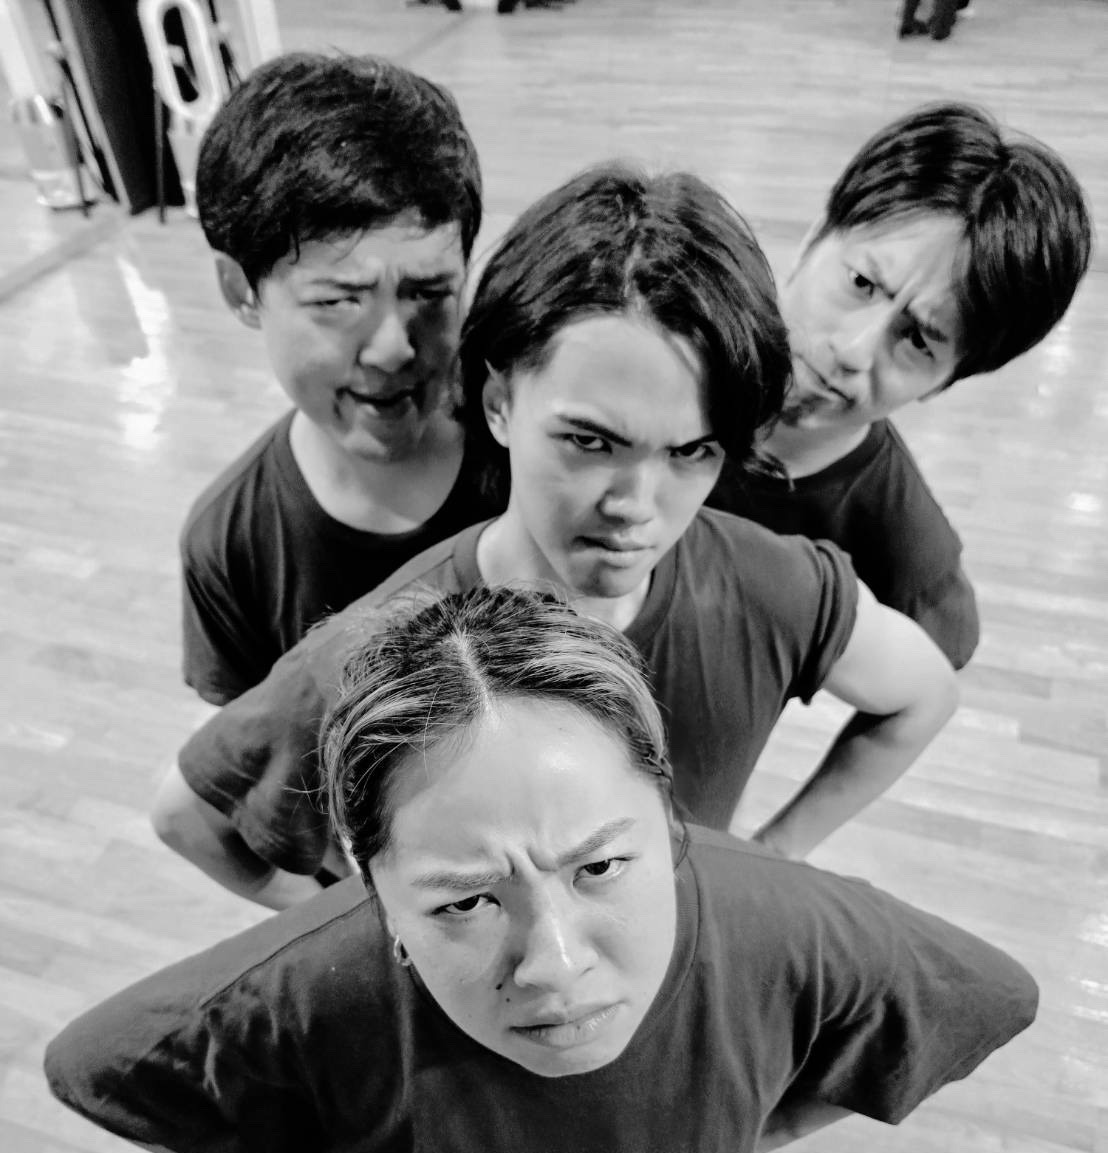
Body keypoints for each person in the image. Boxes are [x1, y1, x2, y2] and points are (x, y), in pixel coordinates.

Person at [46, 587, 1039, 1153]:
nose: (555, 966)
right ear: (374, 887)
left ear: (666, 814)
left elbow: (989, 991)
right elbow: (98, 1062)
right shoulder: (315, 981)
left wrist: (761, 1128)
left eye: (599, 867)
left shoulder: (784, 923)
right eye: (464, 900)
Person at [151, 163, 959, 909]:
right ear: (500, 404)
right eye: (590, 441)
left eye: (690, 452)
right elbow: (191, 816)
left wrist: (776, 853)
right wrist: (373, 929)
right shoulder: (377, 652)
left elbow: (924, 694)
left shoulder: (770, 586)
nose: (635, 505)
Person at [708, 101, 1092, 668]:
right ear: (815, 239)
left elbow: (940, 659)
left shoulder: (904, 540)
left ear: (947, 380)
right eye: (862, 283)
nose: (853, 350)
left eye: (918, 339)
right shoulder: (678, 343)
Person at [180, 51, 485, 707]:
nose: (393, 347)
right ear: (240, 289)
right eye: (339, 300)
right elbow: (252, 747)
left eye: (430, 292)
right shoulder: (232, 544)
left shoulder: (533, 456)